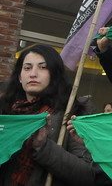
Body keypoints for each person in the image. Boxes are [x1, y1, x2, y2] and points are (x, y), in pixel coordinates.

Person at [0, 44, 98, 185]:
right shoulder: (6, 111)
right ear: (20, 77)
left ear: (54, 74)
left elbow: (88, 175)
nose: (33, 73)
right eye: (27, 68)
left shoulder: (73, 111)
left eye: (42, 67)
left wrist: (43, 146)